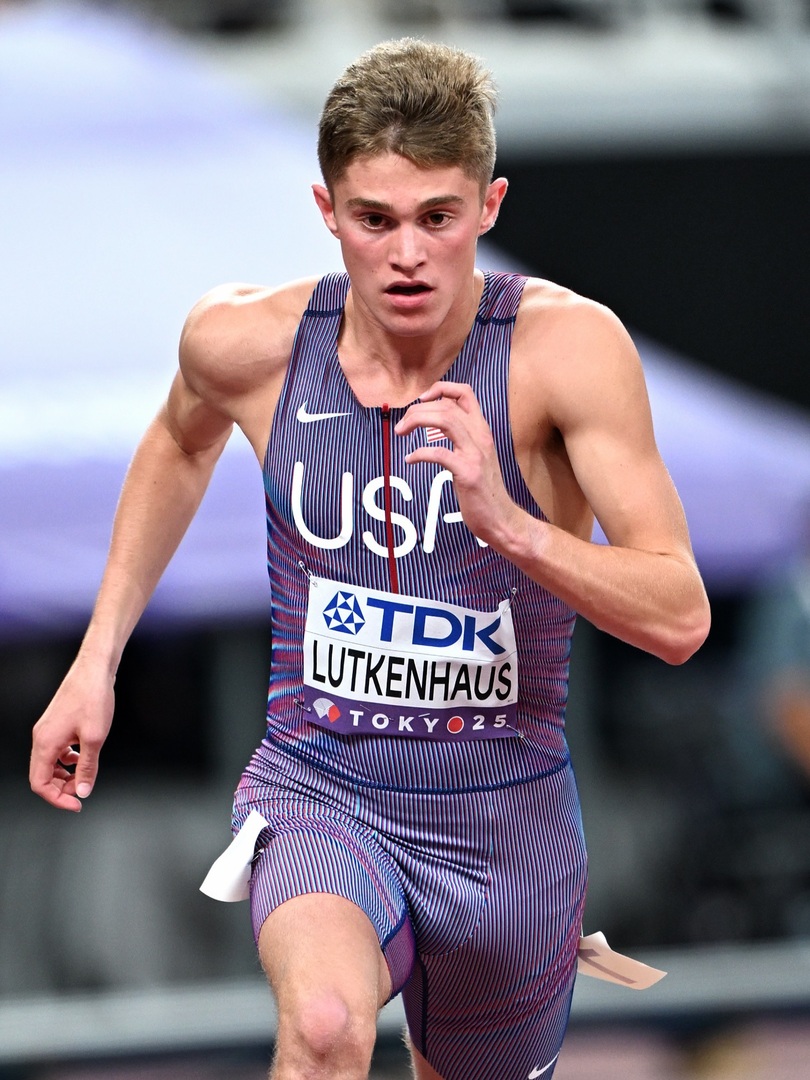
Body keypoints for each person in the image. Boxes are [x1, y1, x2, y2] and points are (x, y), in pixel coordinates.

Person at [29, 37, 710, 1080]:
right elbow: (177, 440)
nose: (406, 256)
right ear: (325, 208)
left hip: (506, 824)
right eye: (375, 219)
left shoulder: (568, 353)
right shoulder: (244, 341)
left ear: (489, 206)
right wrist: (97, 658)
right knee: (325, 1026)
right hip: (322, 784)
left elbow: (679, 616)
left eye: (439, 218)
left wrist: (511, 524)